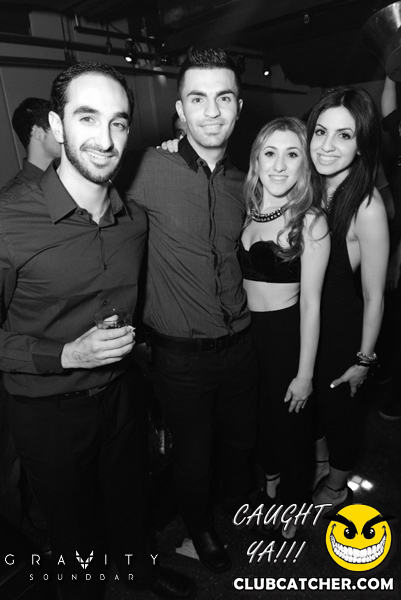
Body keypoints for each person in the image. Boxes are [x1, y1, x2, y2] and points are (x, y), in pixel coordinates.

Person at [0, 61, 195, 600]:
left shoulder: (134, 219)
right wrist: (64, 354)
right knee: (75, 529)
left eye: (119, 123)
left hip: (121, 394)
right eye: (87, 118)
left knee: (130, 501)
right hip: (48, 409)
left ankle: (138, 574)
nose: (106, 140)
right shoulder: (9, 223)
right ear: (56, 126)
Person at [123, 46, 258, 574]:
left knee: (239, 443)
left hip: (241, 344)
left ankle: (233, 504)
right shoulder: (143, 168)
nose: (212, 111)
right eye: (197, 99)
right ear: (180, 110)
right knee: (193, 456)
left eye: (224, 98)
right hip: (180, 358)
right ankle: (197, 526)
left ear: (239, 107)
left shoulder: (245, 180)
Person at [240, 117, 330, 538]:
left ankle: (294, 504)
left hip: (287, 337)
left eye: (291, 154)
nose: (279, 165)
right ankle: (272, 481)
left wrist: (305, 374)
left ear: (304, 164)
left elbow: (312, 303)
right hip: (246, 336)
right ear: (256, 160)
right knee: (261, 420)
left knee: (292, 428)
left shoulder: (310, 221)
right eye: (270, 153)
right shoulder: (247, 210)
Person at [306, 87, 389, 508]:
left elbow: (375, 296)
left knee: (339, 413)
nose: (326, 145)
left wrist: (363, 361)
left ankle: (337, 486)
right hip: (304, 324)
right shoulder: (305, 189)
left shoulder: (366, 205)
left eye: (344, 135)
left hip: (341, 331)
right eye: (321, 131)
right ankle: (321, 462)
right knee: (312, 408)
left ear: (362, 145)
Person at [1, 97, 61, 191]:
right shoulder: (16, 195)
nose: (64, 135)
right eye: (57, 128)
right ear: (37, 133)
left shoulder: (69, 173)